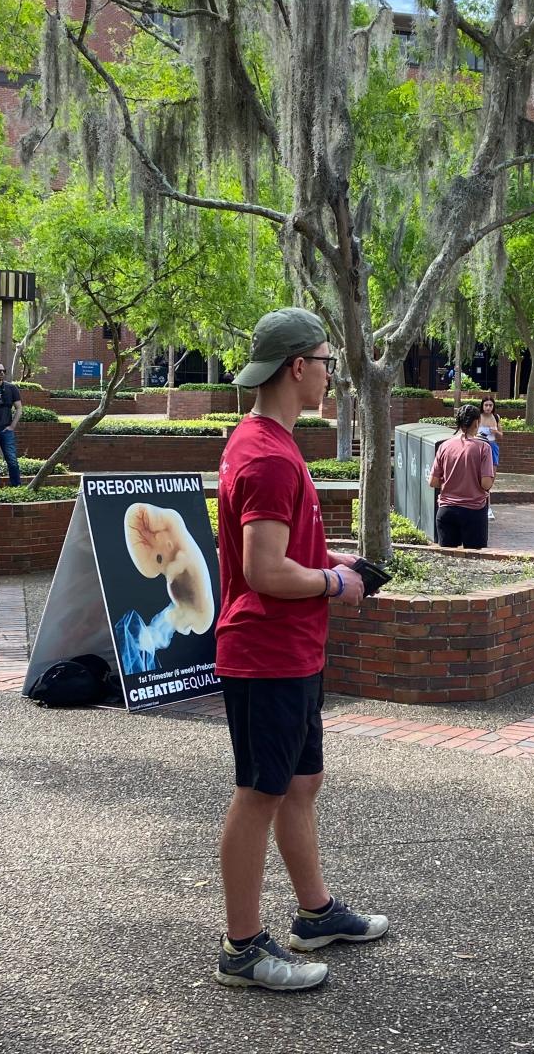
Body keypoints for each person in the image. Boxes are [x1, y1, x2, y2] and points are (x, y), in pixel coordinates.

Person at [214, 307, 388, 993]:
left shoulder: (266, 443)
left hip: (290, 650)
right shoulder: (266, 455)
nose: (329, 377)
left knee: (299, 782)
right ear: (296, 367)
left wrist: (328, 558)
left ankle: (315, 914)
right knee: (260, 792)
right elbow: (263, 571)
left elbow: (277, 553)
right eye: (325, 364)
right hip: (267, 652)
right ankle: (240, 949)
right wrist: (334, 583)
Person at [428, 404, 495, 549]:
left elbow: (433, 481)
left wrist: (452, 480)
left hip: (446, 511)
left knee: (448, 561)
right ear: (477, 423)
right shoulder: (484, 448)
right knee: (473, 560)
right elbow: (486, 484)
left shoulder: (444, 446)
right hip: (474, 511)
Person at [478, 397, 503, 520]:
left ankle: (488, 507)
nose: (488, 407)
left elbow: (501, 435)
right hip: (479, 448)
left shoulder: (496, 417)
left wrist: (496, 431)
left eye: (490, 405)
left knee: (490, 478)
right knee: (478, 477)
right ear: (482, 406)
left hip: (492, 447)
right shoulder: (477, 417)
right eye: (486, 405)